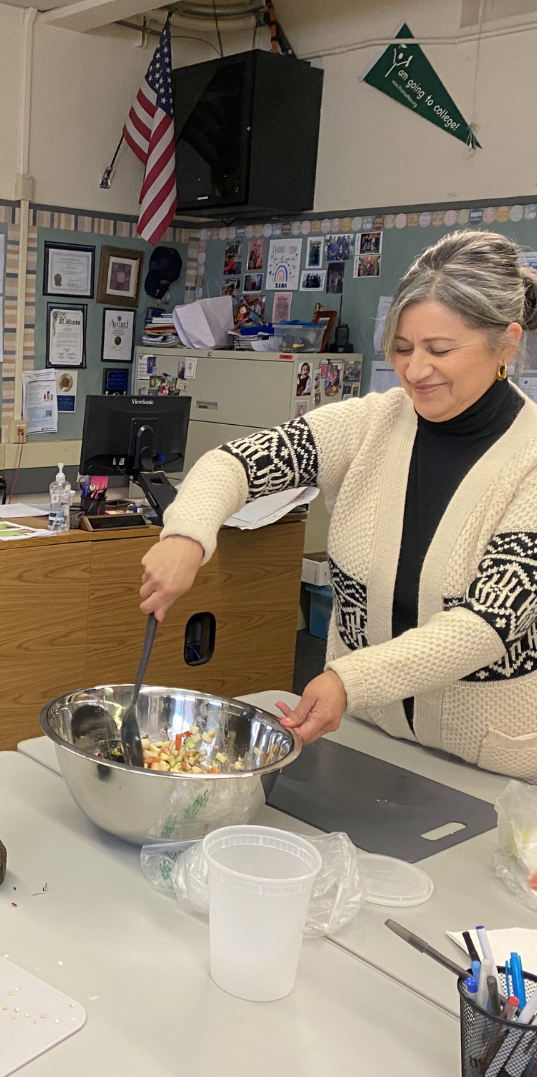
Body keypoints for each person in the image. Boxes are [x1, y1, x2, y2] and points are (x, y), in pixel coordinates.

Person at [140, 230, 537, 779]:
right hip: (360, 740)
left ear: (507, 344)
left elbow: (485, 625)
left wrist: (350, 680)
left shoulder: (531, 462)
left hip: (493, 766)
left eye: (440, 350)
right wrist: (187, 534)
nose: (416, 370)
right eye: (402, 348)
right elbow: (231, 464)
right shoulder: (368, 425)